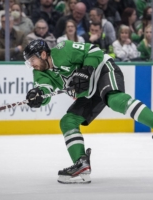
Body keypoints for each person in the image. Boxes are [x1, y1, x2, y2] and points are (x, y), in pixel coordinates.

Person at [23, 39, 153, 184]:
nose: (31, 64)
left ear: (43, 54)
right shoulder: (39, 72)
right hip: (88, 91)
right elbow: (45, 91)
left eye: (32, 59)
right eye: (29, 61)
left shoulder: (63, 49)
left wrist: (86, 70)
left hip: (101, 70)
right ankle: (81, 163)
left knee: (114, 100)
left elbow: (94, 51)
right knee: (68, 121)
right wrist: (39, 96)